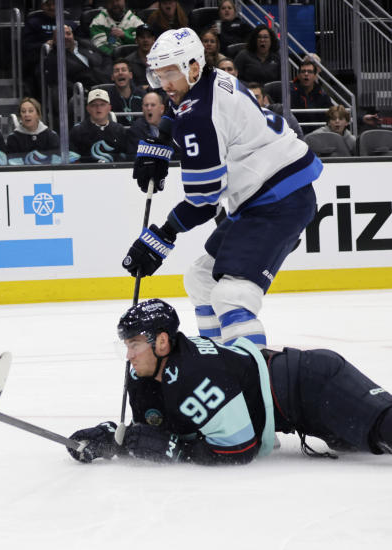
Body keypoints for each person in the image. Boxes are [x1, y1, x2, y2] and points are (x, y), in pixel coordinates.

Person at [125, 28, 322, 346]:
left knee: (232, 295)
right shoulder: (207, 77)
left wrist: (160, 238)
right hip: (264, 194)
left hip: (279, 200)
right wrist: (160, 141)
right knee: (201, 279)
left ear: (191, 67)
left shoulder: (200, 116)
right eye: (158, 75)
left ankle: (252, 385)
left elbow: (204, 203)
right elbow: (177, 107)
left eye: (170, 74)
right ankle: (220, 363)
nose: (164, 85)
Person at [67, 299, 392, 465]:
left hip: (317, 384)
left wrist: (180, 452)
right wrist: (116, 439)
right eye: (126, 345)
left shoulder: (195, 373)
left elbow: (239, 449)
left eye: (135, 344)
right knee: (370, 443)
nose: (129, 356)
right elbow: (157, 432)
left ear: (162, 342)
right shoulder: (148, 372)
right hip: (303, 409)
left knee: (384, 428)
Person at [70, 88, 131, 163]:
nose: (98, 108)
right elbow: (73, 161)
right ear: (88, 108)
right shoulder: (78, 131)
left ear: (109, 108)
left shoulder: (119, 130)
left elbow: (126, 158)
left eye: (102, 104)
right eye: (94, 105)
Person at [43, 24, 109, 93]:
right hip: (85, 92)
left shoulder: (86, 44)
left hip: (106, 82)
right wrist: (82, 91)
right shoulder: (53, 58)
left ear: (73, 35)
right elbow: (59, 81)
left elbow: (106, 58)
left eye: (68, 34)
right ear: (54, 40)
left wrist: (108, 72)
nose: (65, 37)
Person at [5, 97, 65, 166]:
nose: (27, 115)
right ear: (20, 116)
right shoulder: (13, 138)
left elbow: (57, 162)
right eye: (23, 111)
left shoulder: (51, 136)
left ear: (38, 114)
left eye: (30, 111)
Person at [108, 59, 144, 127]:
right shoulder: (107, 98)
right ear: (112, 77)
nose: (120, 73)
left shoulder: (142, 95)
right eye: (116, 71)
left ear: (130, 75)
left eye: (124, 70)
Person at [125, 24, 156, 88]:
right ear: (136, 40)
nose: (145, 40)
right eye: (142, 37)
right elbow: (128, 86)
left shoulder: (161, 59)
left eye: (149, 37)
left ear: (153, 40)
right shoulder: (128, 62)